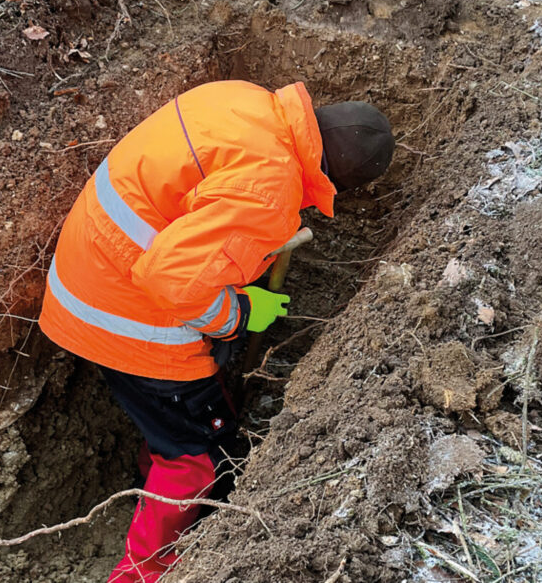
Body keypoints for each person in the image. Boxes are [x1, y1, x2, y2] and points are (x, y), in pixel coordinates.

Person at [38, 80, 395, 582]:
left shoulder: (244, 101)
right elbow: (175, 282)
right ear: (332, 183)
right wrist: (243, 313)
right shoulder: (271, 191)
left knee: (178, 419)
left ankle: (153, 476)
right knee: (204, 454)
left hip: (88, 269)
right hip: (125, 312)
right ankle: (144, 570)